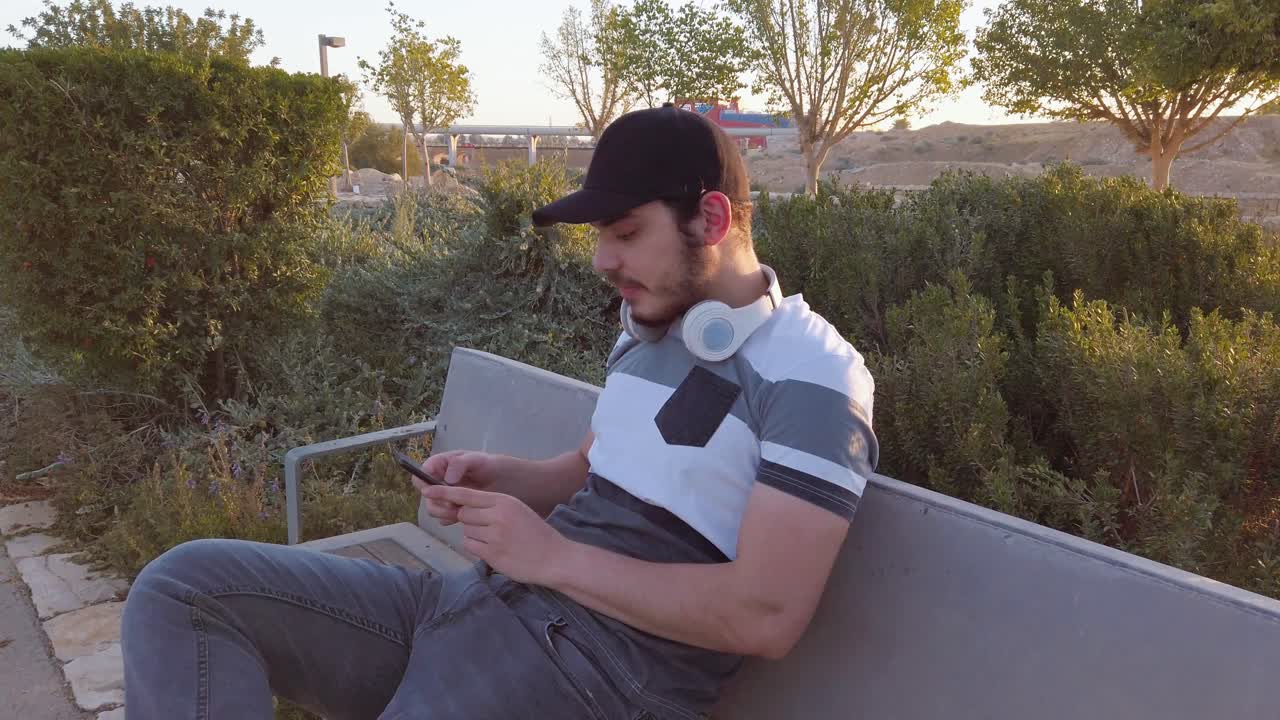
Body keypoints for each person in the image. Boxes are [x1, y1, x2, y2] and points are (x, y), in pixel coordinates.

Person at [120, 105, 878, 720]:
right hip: (479, 603)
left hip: (595, 674)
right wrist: (503, 479)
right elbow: (588, 470)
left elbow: (764, 616)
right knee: (184, 588)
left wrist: (551, 558)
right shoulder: (648, 329)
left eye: (624, 234)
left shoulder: (814, 375)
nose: (601, 262)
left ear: (711, 219)